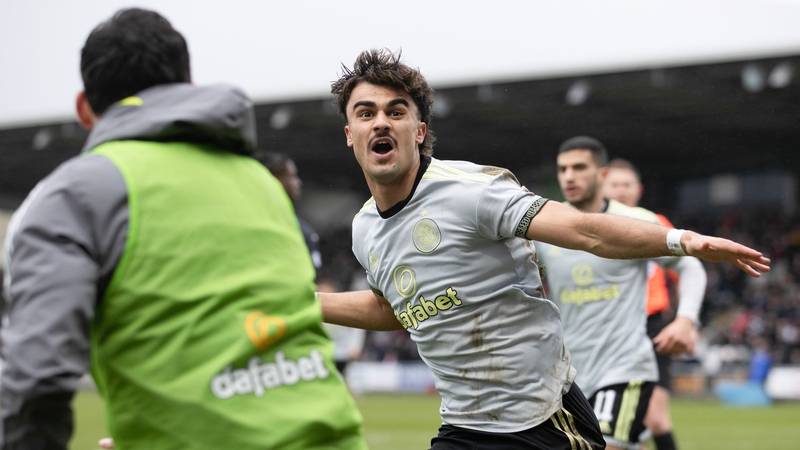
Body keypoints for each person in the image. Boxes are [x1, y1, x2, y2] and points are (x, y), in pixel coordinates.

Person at [319, 49, 769, 449]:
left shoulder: (472, 192)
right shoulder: (364, 229)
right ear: (348, 133)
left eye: (396, 112)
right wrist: (306, 304)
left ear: (418, 131)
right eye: (366, 112)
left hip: (541, 420)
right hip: (463, 425)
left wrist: (682, 241)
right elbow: (393, 307)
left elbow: (584, 230)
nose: (380, 121)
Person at [1, 9, 365, 450]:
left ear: (84, 109)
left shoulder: (74, 195)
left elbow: (37, 378)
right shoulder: (262, 185)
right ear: (187, 89)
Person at [534, 137, 706, 450]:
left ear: (602, 175)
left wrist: (686, 320)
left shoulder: (637, 221)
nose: (569, 176)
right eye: (563, 169)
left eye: (579, 167)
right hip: (570, 376)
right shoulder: (548, 227)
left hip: (625, 368)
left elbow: (689, 267)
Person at [604, 157, 684, 450]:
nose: (621, 190)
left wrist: (685, 318)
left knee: (656, 418)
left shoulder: (654, 223)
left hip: (650, 325)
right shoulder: (587, 227)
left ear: (639, 190)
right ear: (602, 185)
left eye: (627, 185)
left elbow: (684, 269)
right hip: (604, 329)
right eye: (614, 184)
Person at [253, 151, 323, 272]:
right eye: (292, 176)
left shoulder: (302, 229)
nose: (298, 183)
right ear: (274, 179)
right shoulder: (298, 230)